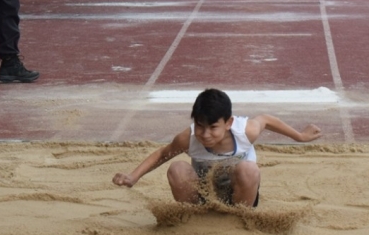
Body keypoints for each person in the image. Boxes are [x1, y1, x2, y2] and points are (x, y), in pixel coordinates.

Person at [112, 88, 322, 207]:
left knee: (248, 169)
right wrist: (134, 176)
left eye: (213, 127)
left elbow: (265, 119)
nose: (205, 135)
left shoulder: (245, 131)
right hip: (203, 194)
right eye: (200, 126)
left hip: (238, 194)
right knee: (177, 168)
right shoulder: (189, 137)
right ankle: (192, 216)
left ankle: (241, 218)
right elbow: (163, 153)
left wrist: (300, 136)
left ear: (228, 123)